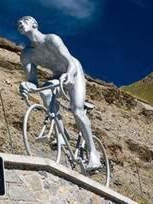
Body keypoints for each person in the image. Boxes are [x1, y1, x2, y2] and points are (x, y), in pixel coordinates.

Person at [17, 16, 101, 170]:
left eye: (25, 20)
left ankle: (93, 153)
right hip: (57, 75)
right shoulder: (26, 54)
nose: (21, 23)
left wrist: (69, 74)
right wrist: (26, 86)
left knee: (77, 110)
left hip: (73, 70)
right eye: (18, 23)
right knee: (45, 93)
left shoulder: (51, 39)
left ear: (35, 24)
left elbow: (70, 62)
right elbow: (33, 82)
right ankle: (62, 136)